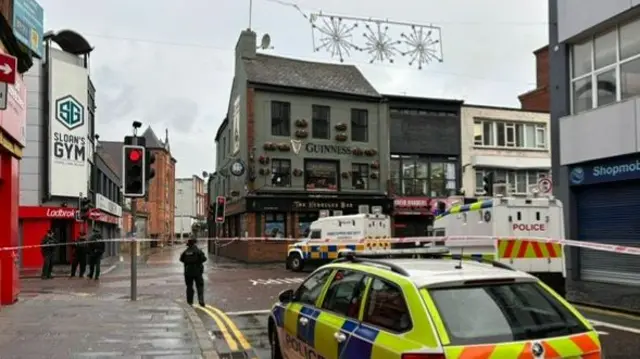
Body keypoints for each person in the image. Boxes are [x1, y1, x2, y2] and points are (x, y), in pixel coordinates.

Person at [179, 237, 207, 306]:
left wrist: (188, 263)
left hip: (188, 272)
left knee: (189, 287)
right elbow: (204, 259)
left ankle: (190, 302)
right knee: (199, 286)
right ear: (195, 243)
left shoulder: (185, 252)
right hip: (197, 272)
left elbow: (181, 259)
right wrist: (198, 262)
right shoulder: (198, 251)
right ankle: (201, 300)